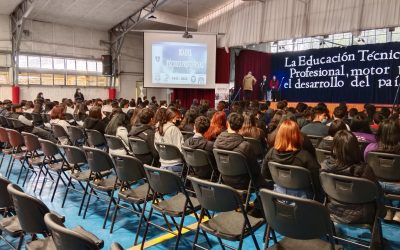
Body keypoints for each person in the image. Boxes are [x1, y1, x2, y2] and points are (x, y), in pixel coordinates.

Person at [321, 130, 384, 224]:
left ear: (334, 148)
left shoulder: (325, 166)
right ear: (355, 148)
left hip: (333, 211)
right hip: (362, 216)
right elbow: (377, 192)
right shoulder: (364, 170)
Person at [262, 119, 321, 199]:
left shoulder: (271, 153)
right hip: (302, 198)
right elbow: (317, 181)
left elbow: (264, 174)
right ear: (297, 135)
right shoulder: (305, 156)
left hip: (278, 195)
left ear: (279, 134)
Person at [214, 112, 268, 190]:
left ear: (227, 123)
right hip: (242, 181)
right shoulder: (245, 146)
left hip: (223, 178)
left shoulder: (217, 142)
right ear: (241, 126)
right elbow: (255, 170)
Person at [364, 119, 400, 222]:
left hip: (376, 185)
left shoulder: (369, 148)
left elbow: (366, 166)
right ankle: (398, 212)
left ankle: (387, 210)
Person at [154, 107, 184, 173]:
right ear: (173, 118)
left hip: (162, 164)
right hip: (176, 165)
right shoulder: (174, 129)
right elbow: (180, 149)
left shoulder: (158, 128)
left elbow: (156, 147)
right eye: (178, 117)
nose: (180, 119)